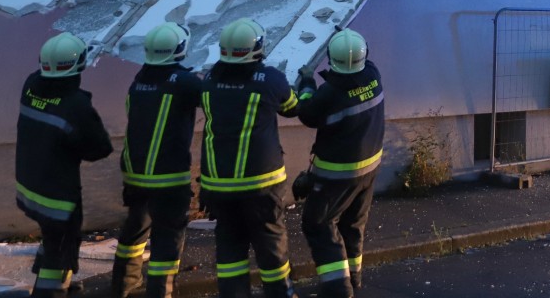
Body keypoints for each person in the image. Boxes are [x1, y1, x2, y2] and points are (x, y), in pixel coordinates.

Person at [199, 18, 301, 298]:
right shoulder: (271, 79)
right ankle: (280, 294)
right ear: (258, 47)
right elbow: (293, 107)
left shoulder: (208, 81)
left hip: (218, 185)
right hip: (261, 184)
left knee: (230, 246)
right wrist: (305, 86)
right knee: (270, 243)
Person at [15, 32, 114, 298]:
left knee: (51, 234)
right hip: (56, 196)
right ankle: (52, 290)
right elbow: (100, 149)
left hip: (29, 185)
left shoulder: (31, 83)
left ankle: (57, 280)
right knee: (61, 245)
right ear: (79, 64)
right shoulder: (76, 105)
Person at [111, 23, 203, 298]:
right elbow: (217, 100)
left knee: (136, 227)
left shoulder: (140, 79)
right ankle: (161, 292)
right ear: (180, 49)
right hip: (168, 176)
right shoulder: (184, 82)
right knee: (168, 237)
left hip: (135, 174)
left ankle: (123, 284)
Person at [295, 29, 386, 298]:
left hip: (336, 175)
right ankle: (353, 277)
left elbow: (307, 112)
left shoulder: (329, 93)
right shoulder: (373, 75)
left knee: (319, 224)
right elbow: (359, 62)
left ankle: (338, 289)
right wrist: (346, 39)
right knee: (352, 223)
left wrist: (307, 83)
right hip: (369, 169)